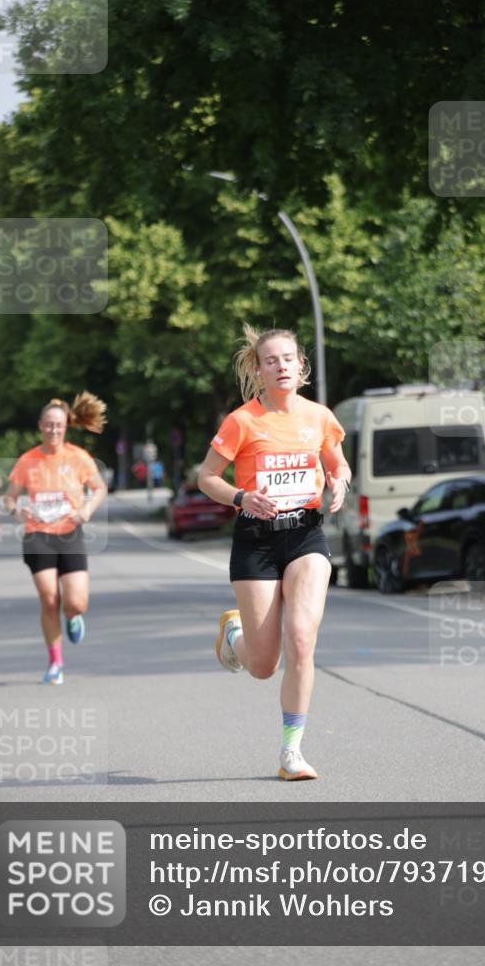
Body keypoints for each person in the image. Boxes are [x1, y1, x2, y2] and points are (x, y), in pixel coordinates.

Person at [198, 325, 351, 781]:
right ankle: (234, 635)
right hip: (256, 540)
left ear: (301, 366)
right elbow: (207, 477)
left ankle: (291, 753)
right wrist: (241, 498)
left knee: (302, 638)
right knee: (263, 666)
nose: (281, 366)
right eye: (271, 360)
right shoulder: (242, 421)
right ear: (258, 370)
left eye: (288, 358)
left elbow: (336, 460)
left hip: (305, 536)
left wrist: (340, 478)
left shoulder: (320, 416)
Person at [3, 393, 108, 685]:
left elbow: (99, 488)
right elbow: (9, 499)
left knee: (75, 603)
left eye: (58, 425)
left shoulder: (78, 457)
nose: (53, 430)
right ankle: (55, 662)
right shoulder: (27, 461)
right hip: (38, 535)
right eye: (48, 425)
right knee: (49, 599)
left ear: (66, 426)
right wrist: (17, 511)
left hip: (70, 534)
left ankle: (73, 617)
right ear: (40, 425)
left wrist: (87, 509)